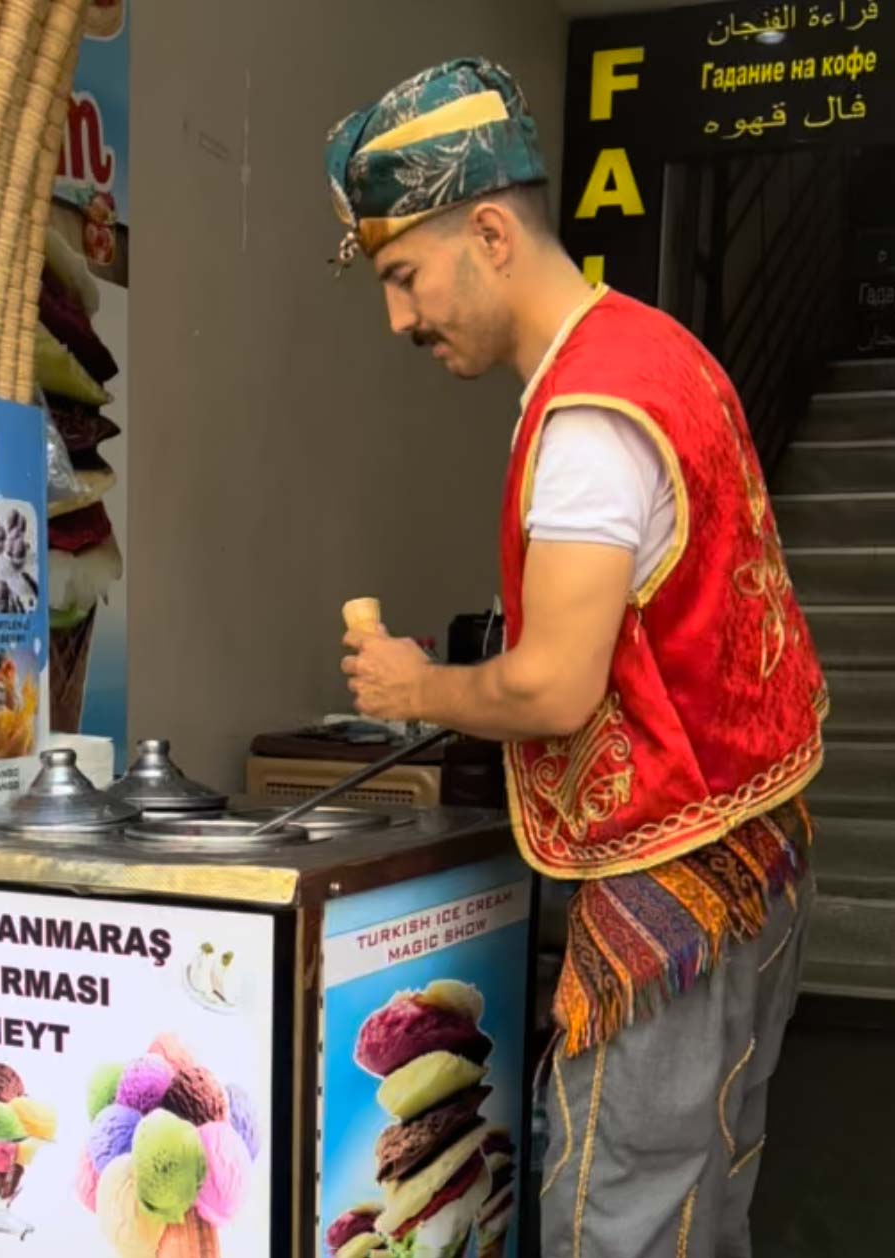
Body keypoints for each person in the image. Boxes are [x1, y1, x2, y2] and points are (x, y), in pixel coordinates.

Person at [326, 59, 828, 1258]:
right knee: (707, 1187)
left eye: (403, 276)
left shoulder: (591, 415)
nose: (400, 319)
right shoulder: (661, 351)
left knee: (619, 1210)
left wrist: (415, 687)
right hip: (758, 849)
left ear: (489, 232)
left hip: (677, 885)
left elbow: (556, 681)